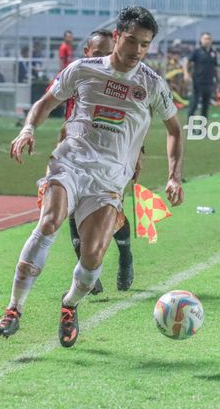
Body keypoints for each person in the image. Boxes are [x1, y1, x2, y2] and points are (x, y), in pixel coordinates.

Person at [0, 6, 184, 348]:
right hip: (70, 163)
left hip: (109, 180)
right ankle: (13, 310)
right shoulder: (82, 69)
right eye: (131, 40)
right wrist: (27, 130)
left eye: (145, 44)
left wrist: (174, 176)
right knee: (50, 222)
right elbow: (46, 102)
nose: (137, 50)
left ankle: (69, 305)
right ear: (116, 37)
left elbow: (174, 129)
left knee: (93, 255)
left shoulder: (152, 84)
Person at [56, 29, 138, 294]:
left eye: (108, 53)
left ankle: (125, 256)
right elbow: (67, 116)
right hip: (77, 156)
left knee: (112, 214)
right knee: (73, 212)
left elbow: (131, 123)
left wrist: (138, 155)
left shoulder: (120, 82)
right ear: (86, 53)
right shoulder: (76, 75)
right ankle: (87, 271)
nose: (104, 58)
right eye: (98, 53)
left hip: (111, 160)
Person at [183, 32, 218, 122]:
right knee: (194, 105)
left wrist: (216, 80)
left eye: (209, 39)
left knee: (205, 107)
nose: (207, 41)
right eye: (205, 39)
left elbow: (215, 68)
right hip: (198, 82)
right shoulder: (197, 51)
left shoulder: (213, 53)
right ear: (201, 40)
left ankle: (202, 129)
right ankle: (190, 127)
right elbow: (186, 61)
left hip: (209, 82)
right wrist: (186, 73)